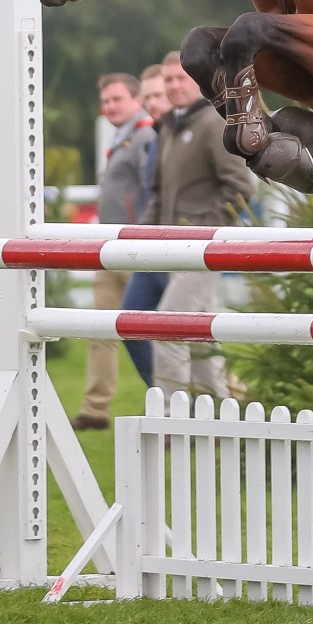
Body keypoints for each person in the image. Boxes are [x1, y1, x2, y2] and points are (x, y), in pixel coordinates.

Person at [143, 51, 256, 401]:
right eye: (169, 79)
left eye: (182, 77)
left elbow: (241, 187)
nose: (175, 85)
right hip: (172, 247)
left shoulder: (213, 123)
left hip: (205, 247)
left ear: (200, 80)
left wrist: (202, 230)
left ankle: (172, 417)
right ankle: (218, 410)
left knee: (167, 326)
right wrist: (137, 238)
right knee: (199, 330)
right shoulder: (171, 126)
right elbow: (160, 194)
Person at [71, 72, 156, 431]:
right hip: (111, 250)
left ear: (137, 99)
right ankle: (95, 409)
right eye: (105, 101)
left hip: (137, 250)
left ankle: (226, 392)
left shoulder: (145, 137)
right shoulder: (123, 137)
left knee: (167, 330)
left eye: (117, 99)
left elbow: (154, 192)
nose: (109, 107)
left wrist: (144, 238)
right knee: (100, 329)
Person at [120, 63, 172, 387]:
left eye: (159, 95)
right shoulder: (157, 135)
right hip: (152, 246)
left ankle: (222, 398)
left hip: (182, 247)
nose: (153, 103)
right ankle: (163, 396)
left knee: (189, 335)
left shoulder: (181, 133)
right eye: (148, 96)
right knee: (129, 324)